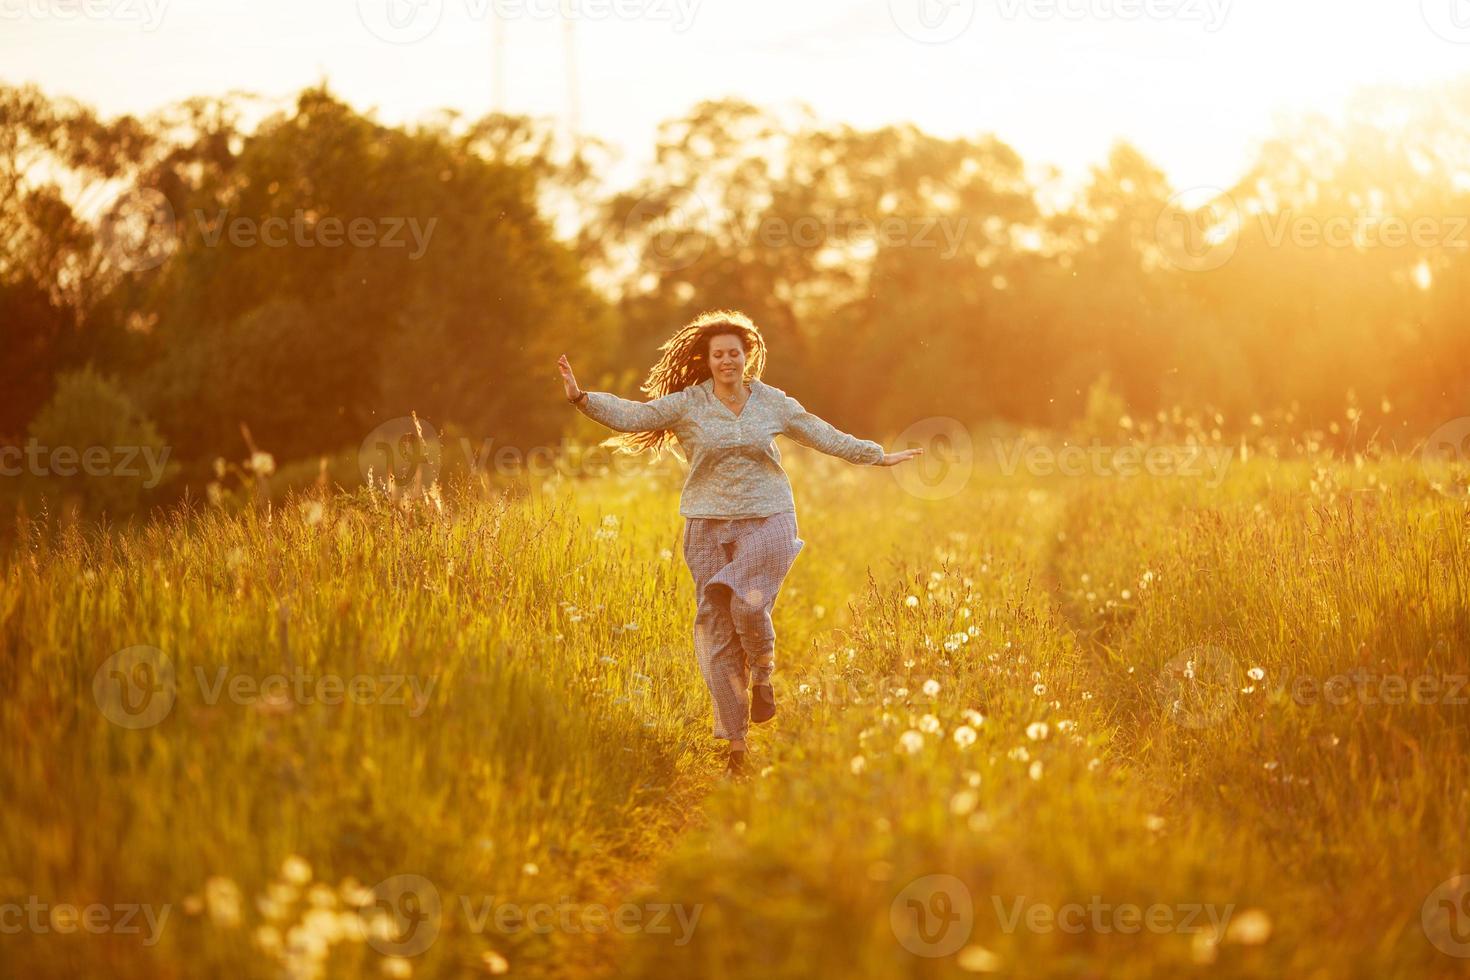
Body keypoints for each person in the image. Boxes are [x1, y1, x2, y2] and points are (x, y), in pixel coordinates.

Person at [556, 310, 923, 774]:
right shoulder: (688, 403)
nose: (727, 360)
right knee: (717, 632)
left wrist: (876, 456)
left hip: (768, 516)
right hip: (706, 525)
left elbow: (819, 432)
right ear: (707, 360)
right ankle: (736, 749)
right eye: (718, 354)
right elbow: (636, 415)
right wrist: (581, 398)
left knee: (747, 606)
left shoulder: (771, 402)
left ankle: (764, 675)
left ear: (747, 357)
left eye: (735, 353)